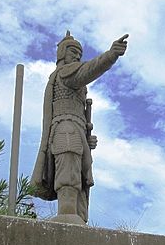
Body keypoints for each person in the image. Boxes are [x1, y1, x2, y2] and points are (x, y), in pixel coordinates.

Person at [31, 31, 128, 224]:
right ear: (62, 53)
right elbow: (88, 70)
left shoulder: (70, 78)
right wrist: (110, 55)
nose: (76, 56)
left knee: (80, 175)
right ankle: (67, 214)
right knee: (68, 173)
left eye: (79, 53)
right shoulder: (65, 73)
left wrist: (87, 136)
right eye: (73, 51)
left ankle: (76, 216)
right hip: (66, 129)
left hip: (76, 130)